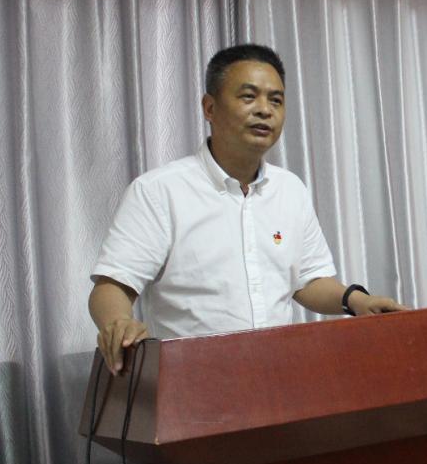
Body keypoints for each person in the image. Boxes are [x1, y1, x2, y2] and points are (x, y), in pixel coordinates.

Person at [89, 44, 406, 375]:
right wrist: (118, 322)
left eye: (276, 100)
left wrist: (357, 300)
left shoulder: (290, 190)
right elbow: (113, 284)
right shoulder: (158, 191)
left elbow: (307, 280)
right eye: (249, 97)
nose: (265, 110)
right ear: (210, 107)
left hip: (280, 379)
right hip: (192, 383)